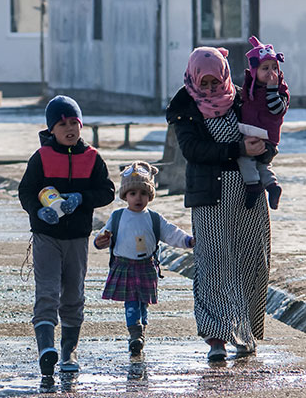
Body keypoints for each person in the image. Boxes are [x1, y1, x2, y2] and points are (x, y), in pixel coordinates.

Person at [165, 47, 275, 362]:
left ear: (226, 75)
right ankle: (216, 338)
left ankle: (245, 332)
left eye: (217, 81)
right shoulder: (185, 106)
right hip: (210, 196)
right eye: (206, 82)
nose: (212, 88)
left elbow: (268, 138)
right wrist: (238, 148)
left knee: (251, 260)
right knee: (215, 264)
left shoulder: (244, 99)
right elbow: (193, 150)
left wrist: (262, 150)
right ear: (194, 78)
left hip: (248, 195)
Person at [18, 95, 115, 378]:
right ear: (51, 130)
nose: (70, 128)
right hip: (46, 236)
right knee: (47, 292)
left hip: (77, 238)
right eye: (63, 124)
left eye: (74, 122)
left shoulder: (92, 158)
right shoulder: (41, 158)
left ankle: (68, 351)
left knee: (73, 295)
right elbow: (25, 192)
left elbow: (107, 191)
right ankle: (46, 349)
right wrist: (38, 212)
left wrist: (81, 198)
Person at [93, 161, 195, 359]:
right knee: (131, 303)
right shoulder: (118, 216)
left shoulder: (154, 218)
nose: (138, 198)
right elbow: (103, 237)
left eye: (143, 193)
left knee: (143, 304)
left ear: (150, 195)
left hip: (147, 266)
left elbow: (171, 233)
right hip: (124, 265)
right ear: (125, 196)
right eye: (132, 194)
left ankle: (141, 332)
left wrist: (188, 240)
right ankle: (135, 335)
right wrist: (100, 241)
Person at [239, 36, 289, 209]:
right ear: (254, 71)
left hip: (267, 140)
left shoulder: (280, 91)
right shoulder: (249, 89)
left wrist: (272, 89)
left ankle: (252, 187)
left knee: (245, 158)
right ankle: (272, 187)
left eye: (274, 67)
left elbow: (277, 109)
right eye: (265, 68)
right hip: (253, 134)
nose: (271, 72)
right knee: (261, 166)